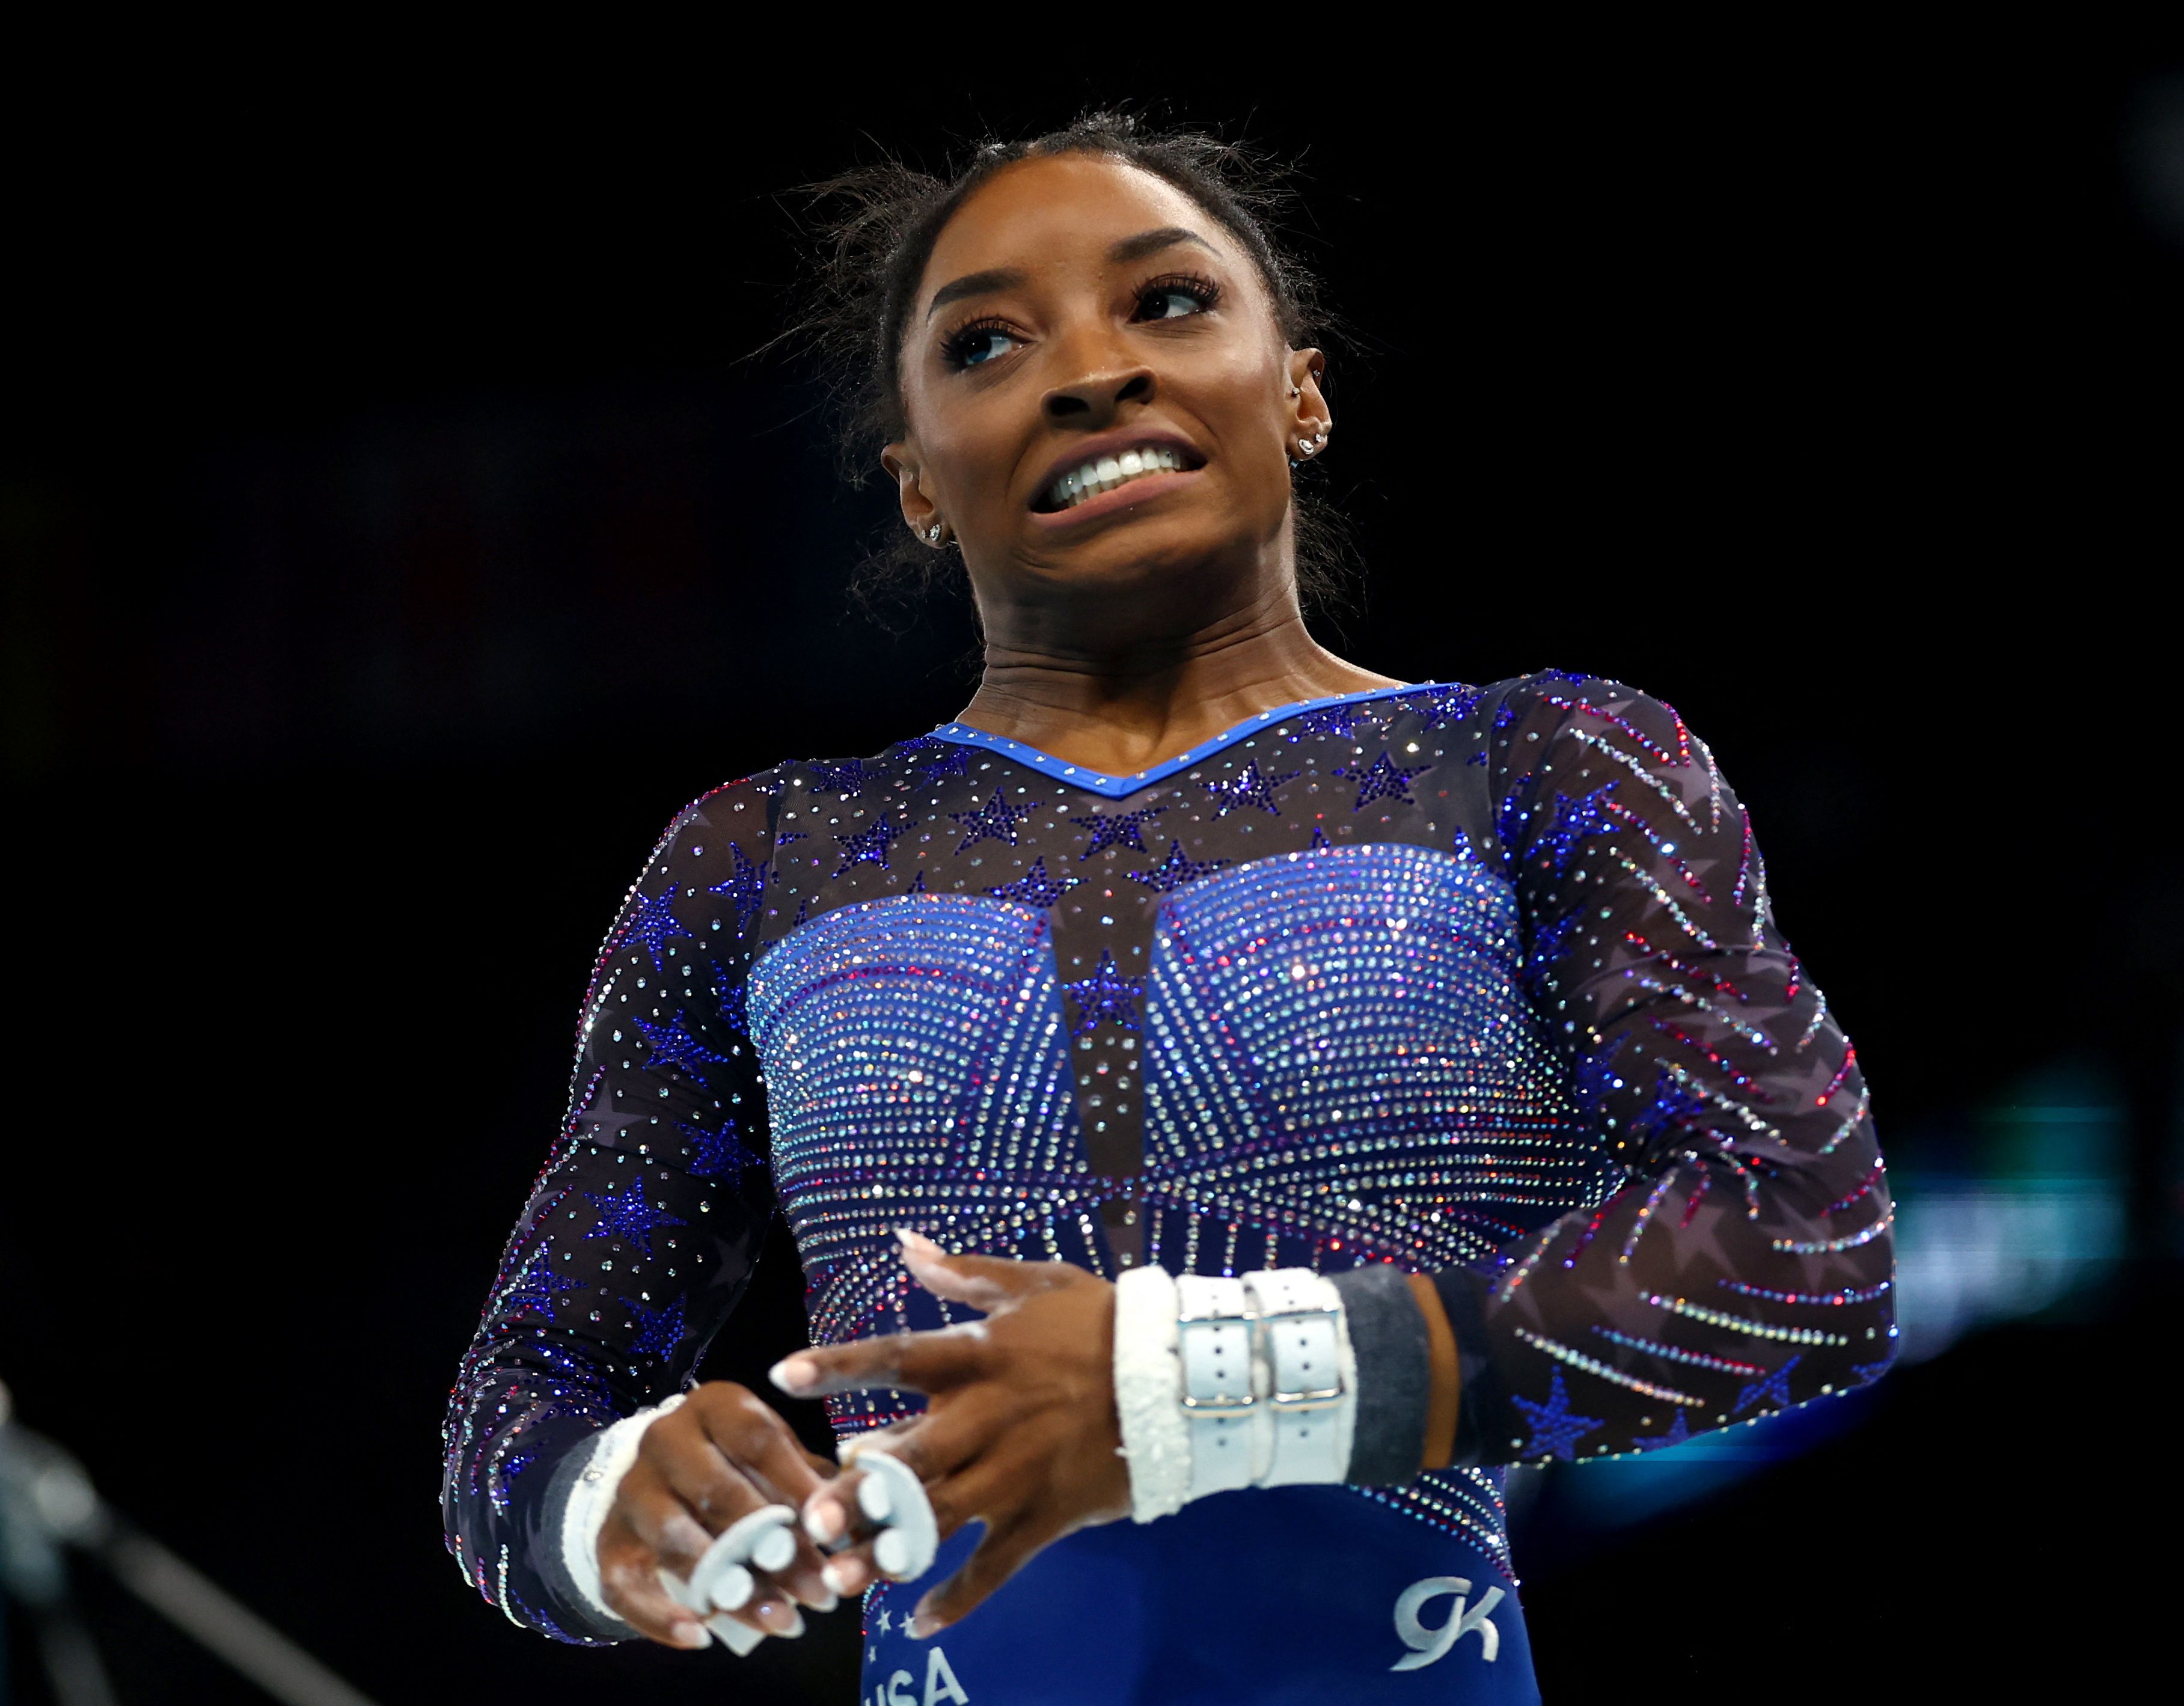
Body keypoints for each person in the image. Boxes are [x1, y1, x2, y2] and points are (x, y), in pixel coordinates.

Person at [441, 113, 1895, 1705]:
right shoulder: (763, 861)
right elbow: (527, 1403)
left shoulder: (1538, 769)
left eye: (1170, 302)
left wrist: (1189, 1391)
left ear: (1303, 388)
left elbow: (1802, 1248)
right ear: (917, 482)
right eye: (989, 341)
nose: (1089, 370)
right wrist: (610, 1505)